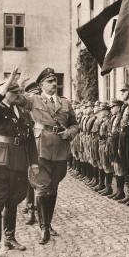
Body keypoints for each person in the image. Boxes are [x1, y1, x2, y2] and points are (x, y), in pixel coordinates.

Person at [14, 67, 79, 245]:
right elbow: (17, 99)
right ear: (41, 84)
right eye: (49, 81)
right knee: (42, 188)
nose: (54, 83)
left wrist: (70, 133)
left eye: (55, 80)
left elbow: (74, 124)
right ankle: (44, 228)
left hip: (60, 149)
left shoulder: (65, 103)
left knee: (53, 188)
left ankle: (48, 224)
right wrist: (19, 85)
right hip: (41, 148)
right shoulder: (34, 99)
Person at [0, 74, 38, 257]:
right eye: (16, 92)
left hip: (17, 160)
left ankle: (10, 238)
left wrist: (34, 162)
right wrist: (6, 84)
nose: (20, 95)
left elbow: (29, 139)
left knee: (12, 200)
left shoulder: (22, 111)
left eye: (20, 92)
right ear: (6, 93)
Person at [22, 81, 41, 225]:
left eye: (38, 94)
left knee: (43, 179)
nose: (37, 98)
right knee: (30, 179)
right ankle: (30, 209)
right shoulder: (25, 113)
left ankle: (41, 208)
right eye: (34, 95)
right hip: (29, 148)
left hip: (43, 148)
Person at [107, 99, 125, 200]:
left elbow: (119, 133)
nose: (111, 109)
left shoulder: (121, 118)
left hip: (118, 144)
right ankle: (118, 190)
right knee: (115, 167)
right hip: (112, 144)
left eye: (113, 107)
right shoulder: (113, 118)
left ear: (118, 108)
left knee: (119, 168)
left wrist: (119, 147)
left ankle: (121, 191)